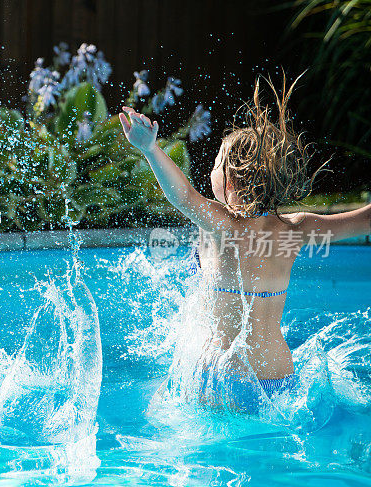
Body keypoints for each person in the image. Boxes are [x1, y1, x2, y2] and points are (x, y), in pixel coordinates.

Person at [118, 75, 371, 412]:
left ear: (231, 180)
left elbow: (182, 197)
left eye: (217, 164)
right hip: (280, 376)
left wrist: (150, 149)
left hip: (225, 379)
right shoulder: (296, 229)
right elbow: (364, 220)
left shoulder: (223, 226)